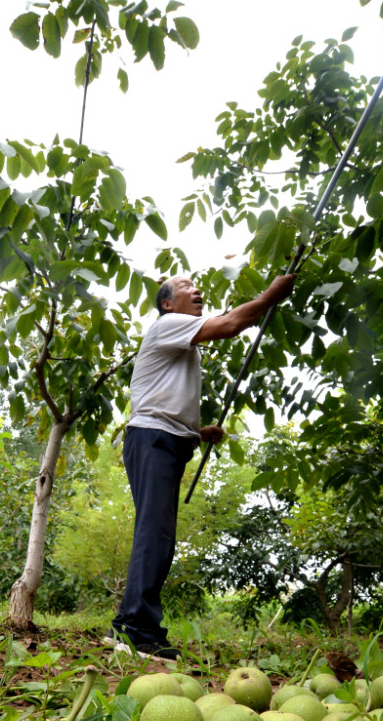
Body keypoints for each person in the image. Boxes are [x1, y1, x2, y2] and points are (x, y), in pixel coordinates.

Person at [109, 272, 295, 660]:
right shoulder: (168, 325)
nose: (197, 291)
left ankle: (138, 626)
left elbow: (166, 399)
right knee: (154, 532)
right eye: (186, 287)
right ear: (167, 303)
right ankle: (133, 630)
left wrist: (197, 431)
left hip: (168, 440)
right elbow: (229, 324)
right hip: (153, 439)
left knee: (159, 534)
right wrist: (270, 296)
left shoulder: (181, 341)